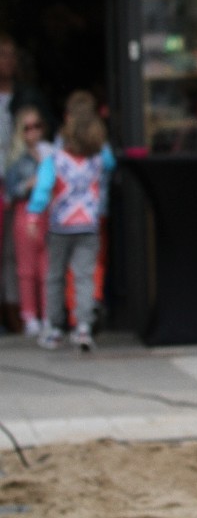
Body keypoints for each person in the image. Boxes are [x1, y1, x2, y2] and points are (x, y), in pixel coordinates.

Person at [28, 91, 116, 352]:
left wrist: (33, 214)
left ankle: (55, 329)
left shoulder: (54, 159)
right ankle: (83, 327)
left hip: (60, 226)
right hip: (89, 225)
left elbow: (43, 188)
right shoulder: (99, 158)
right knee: (84, 277)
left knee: (55, 277)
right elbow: (111, 163)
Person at [5, 105, 51, 338]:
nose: (33, 132)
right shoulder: (17, 160)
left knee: (47, 268)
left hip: (48, 213)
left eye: (36, 126)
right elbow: (10, 192)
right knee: (26, 269)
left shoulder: (50, 153)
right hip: (25, 212)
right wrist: (29, 184)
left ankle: (48, 315)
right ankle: (29, 316)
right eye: (27, 128)